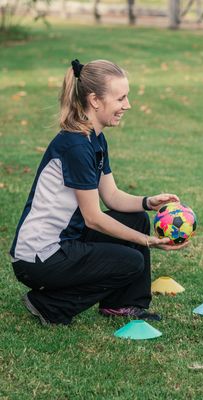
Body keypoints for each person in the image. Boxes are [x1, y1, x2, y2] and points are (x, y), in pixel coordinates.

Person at [10, 59, 188, 326]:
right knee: (130, 261)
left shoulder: (95, 138)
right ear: (95, 100)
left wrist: (148, 202)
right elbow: (93, 217)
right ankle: (50, 306)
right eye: (121, 98)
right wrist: (147, 241)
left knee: (137, 217)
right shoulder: (75, 145)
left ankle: (123, 304)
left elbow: (112, 196)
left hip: (66, 240)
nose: (127, 105)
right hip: (39, 257)